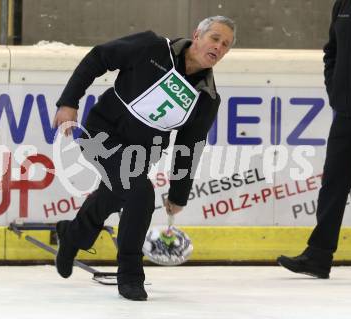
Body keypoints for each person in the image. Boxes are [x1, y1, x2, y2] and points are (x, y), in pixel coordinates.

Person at [52, 16, 236, 300]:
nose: (219, 47)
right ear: (197, 35)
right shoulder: (152, 47)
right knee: (140, 192)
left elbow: (189, 147)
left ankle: (73, 234)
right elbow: (99, 57)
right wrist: (68, 102)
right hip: (102, 135)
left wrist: (178, 194)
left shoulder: (207, 98)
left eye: (225, 45)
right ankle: (130, 274)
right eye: (215, 38)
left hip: (142, 155)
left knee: (115, 195)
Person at [277, 0, 351, 279]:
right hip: (345, 114)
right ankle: (318, 256)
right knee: (333, 186)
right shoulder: (342, 5)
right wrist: (334, 90)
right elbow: (332, 52)